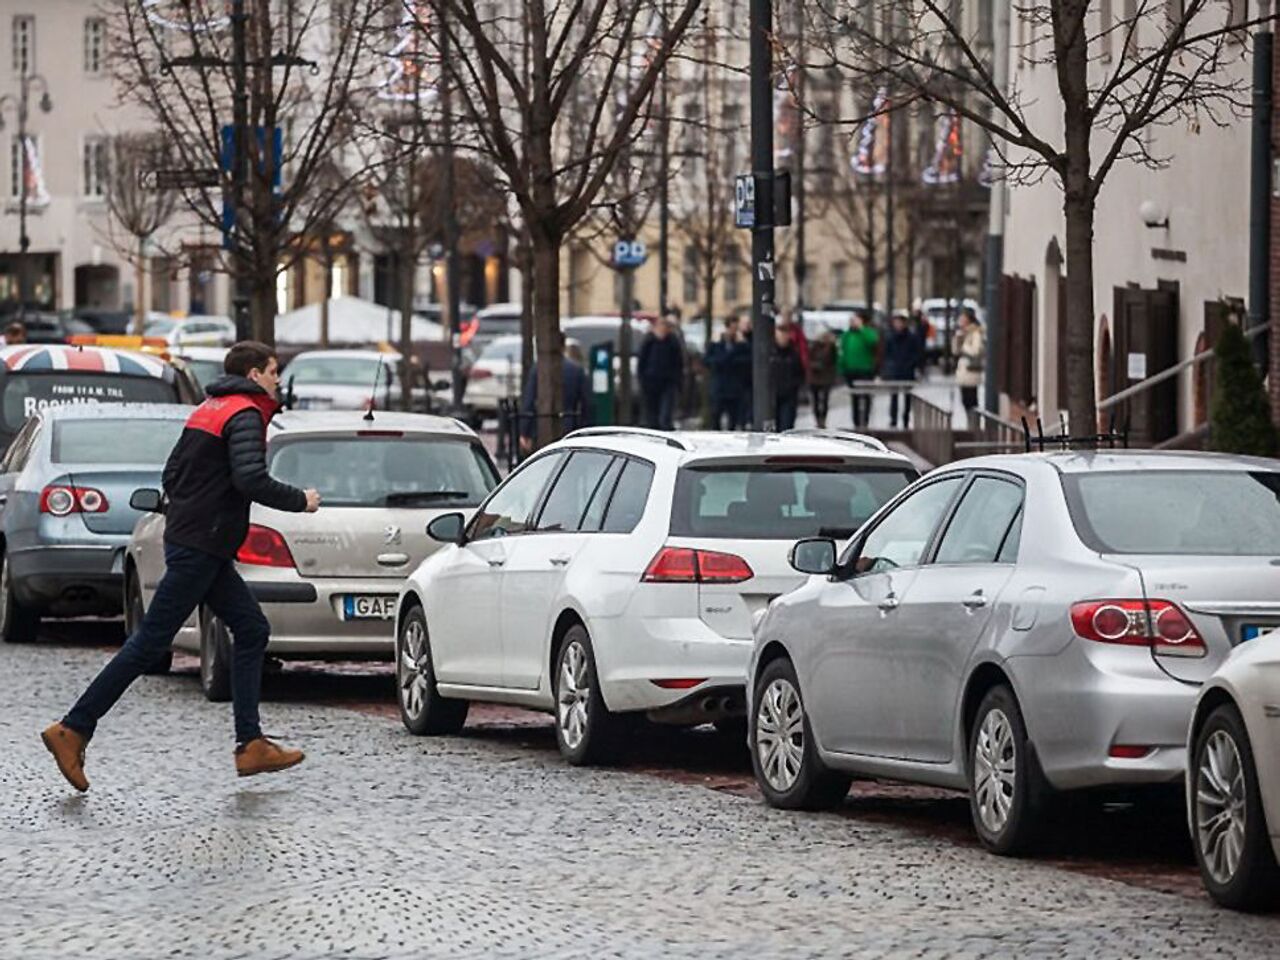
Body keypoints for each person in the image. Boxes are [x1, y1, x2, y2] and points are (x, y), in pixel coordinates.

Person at [41, 341, 321, 792]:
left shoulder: (208, 409)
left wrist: (199, 508)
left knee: (251, 629)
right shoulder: (245, 413)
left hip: (194, 539)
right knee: (150, 641)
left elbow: (171, 476)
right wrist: (299, 501)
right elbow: (250, 478)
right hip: (203, 543)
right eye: (273, 370)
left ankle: (251, 744)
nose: (277, 378)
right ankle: (73, 727)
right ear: (253, 375)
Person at [519, 339, 590, 454]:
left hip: (541, 426)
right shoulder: (576, 370)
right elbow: (587, 403)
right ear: (563, 347)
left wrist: (525, 431)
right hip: (569, 423)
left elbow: (529, 401)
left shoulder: (537, 369)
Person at [637, 314, 684, 431]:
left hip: (668, 381)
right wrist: (643, 379)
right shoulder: (649, 341)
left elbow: (678, 362)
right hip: (651, 381)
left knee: (665, 414)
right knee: (652, 414)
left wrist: (677, 380)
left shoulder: (673, 341)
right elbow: (642, 361)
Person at [705, 315, 749, 430]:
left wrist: (739, 346)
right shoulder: (717, 344)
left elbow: (747, 360)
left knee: (733, 420)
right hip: (719, 387)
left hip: (735, 388)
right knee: (716, 417)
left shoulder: (741, 345)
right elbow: (709, 360)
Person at [881, 313, 924, 429]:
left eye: (900, 322)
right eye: (896, 322)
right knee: (894, 396)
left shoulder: (911, 337)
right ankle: (893, 420)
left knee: (907, 397)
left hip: (907, 370)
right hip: (895, 370)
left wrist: (911, 364)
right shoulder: (890, 337)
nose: (898, 325)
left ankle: (905, 419)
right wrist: (889, 366)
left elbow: (917, 353)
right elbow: (887, 353)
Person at [839, 310, 879, 428]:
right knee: (854, 398)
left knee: (866, 397)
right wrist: (842, 368)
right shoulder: (847, 335)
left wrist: (862, 329)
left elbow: (872, 341)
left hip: (865, 370)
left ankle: (865, 421)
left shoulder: (867, 332)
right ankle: (856, 422)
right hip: (851, 370)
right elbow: (842, 351)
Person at [772, 320, 806, 431]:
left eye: (785, 334)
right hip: (773, 396)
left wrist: (793, 386)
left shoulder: (793, 353)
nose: (783, 337)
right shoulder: (770, 352)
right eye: (780, 333)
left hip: (788, 396)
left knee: (786, 426)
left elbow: (800, 372)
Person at [954, 307, 986, 418]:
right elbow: (955, 351)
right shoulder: (963, 333)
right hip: (963, 372)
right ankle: (970, 424)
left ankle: (973, 427)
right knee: (965, 401)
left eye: (963, 318)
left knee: (971, 401)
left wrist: (964, 346)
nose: (960, 321)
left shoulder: (975, 332)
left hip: (971, 371)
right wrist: (957, 339)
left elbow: (976, 351)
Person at [807, 327, 839, 429]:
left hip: (826, 377)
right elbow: (808, 359)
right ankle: (818, 420)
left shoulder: (831, 347)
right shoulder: (813, 346)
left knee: (824, 400)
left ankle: (823, 420)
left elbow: (834, 360)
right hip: (815, 377)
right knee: (816, 400)